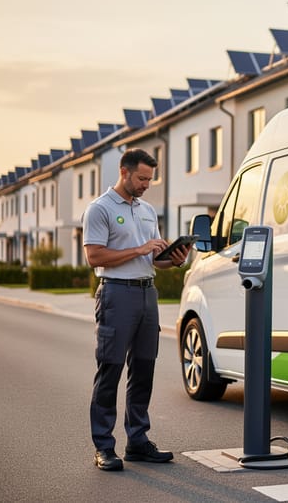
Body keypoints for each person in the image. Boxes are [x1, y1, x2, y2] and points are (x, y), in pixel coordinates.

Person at [83, 148, 192, 471]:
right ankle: (104, 447)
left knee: (144, 369)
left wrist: (172, 260)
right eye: (142, 178)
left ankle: (138, 441)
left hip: (147, 295)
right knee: (111, 369)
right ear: (125, 172)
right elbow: (95, 257)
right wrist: (140, 249)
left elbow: (151, 259)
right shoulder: (99, 209)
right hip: (116, 294)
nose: (146, 184)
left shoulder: (147, 210)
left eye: (150, 179)